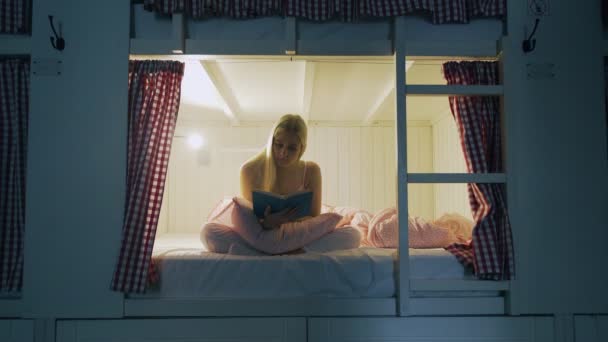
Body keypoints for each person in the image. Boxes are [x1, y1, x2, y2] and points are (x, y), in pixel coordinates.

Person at [240, 114, 323, 230]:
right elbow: (248, 221)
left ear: (301, 148)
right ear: (271, 142)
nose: (283, 153)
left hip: (299, 233)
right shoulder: (249, 170)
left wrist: (290, 221)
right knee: (210, 231)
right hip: (262, 235)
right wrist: (267, 223)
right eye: (278, 145)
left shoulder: (311, 170)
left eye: (292, 148)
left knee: (350, 234)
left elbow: (315, 218)